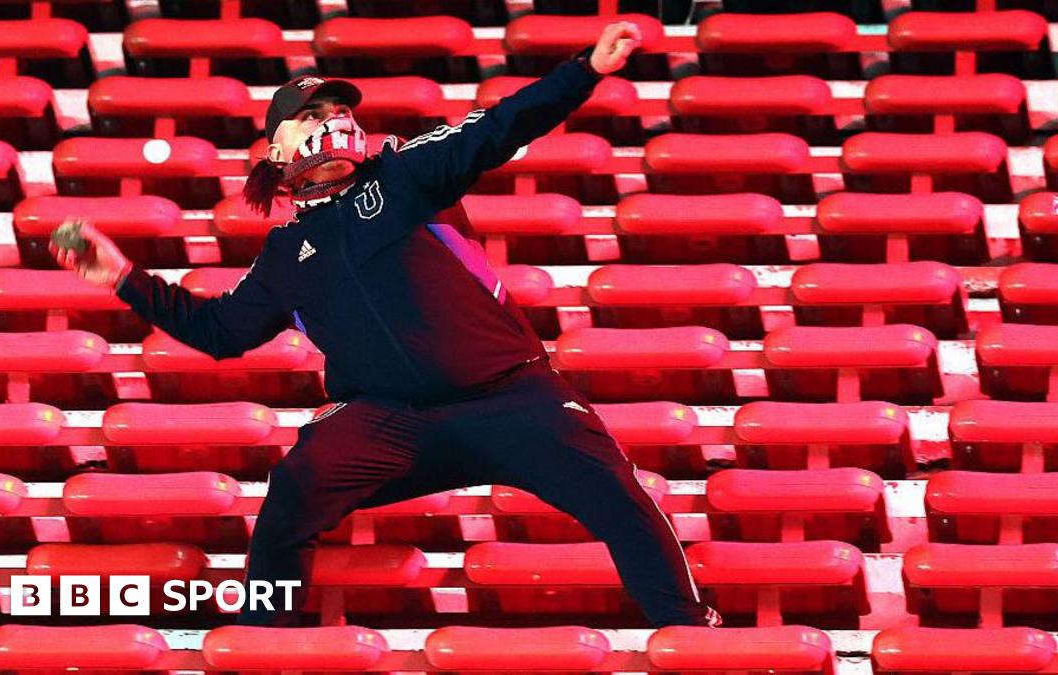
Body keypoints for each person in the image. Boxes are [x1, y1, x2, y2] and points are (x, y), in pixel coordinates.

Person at [51, 22, 722, 629]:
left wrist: (585, 69)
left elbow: (500, 126)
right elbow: (220, 331)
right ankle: (266, 639)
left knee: (621, 500)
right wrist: (123, 277)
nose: (335, 121)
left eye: (341, 111)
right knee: (294, 488)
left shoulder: (405, 173)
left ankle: (692, 633)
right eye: (313, 114)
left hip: (513, 398)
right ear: (277, 148)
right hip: (392, 422)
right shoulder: (287, 250)